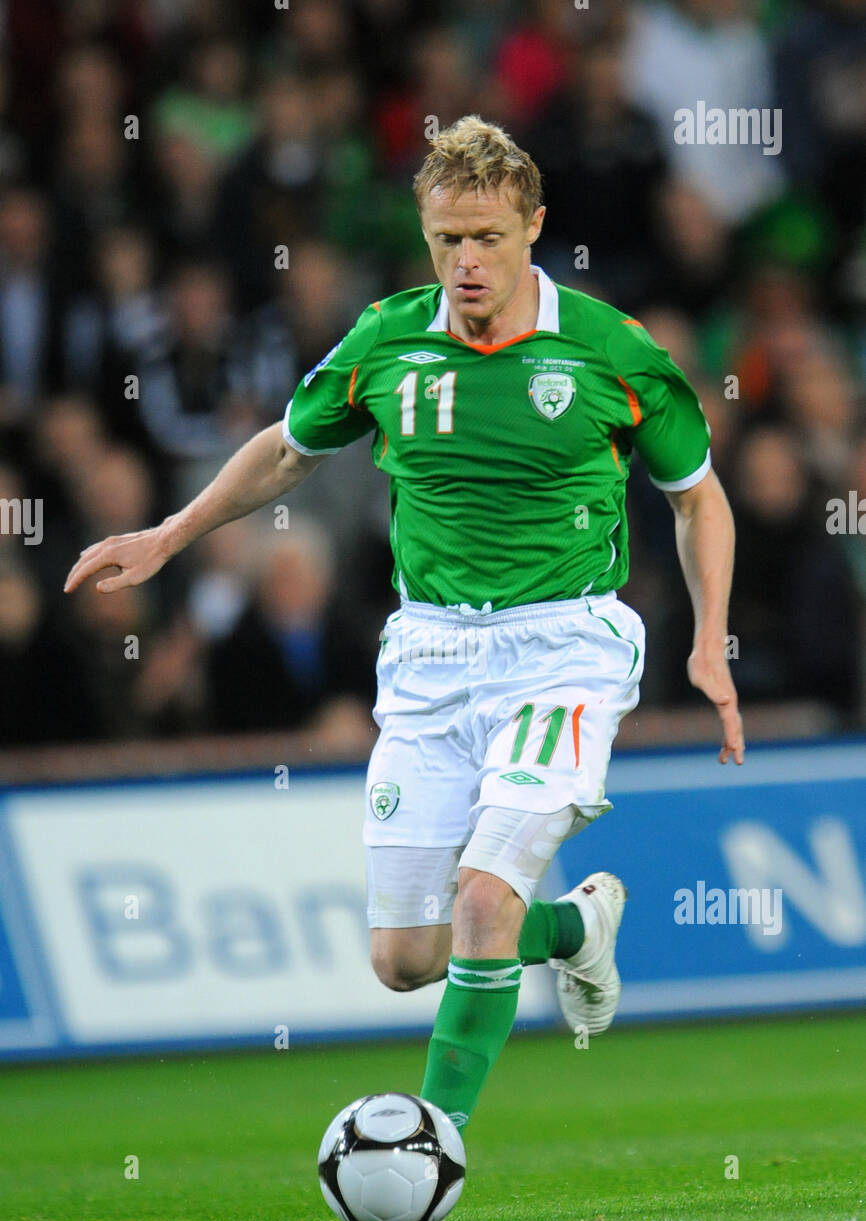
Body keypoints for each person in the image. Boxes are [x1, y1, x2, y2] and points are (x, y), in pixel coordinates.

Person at [64, 117, 744, 1132]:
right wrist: (172, 531)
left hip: (564, 644)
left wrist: (705, 639)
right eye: (445, 240)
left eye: (487, 238)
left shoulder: (610, 350)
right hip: (427, 653)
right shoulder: (385, 339)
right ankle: (573, 924)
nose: (465, 262)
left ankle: (433, 1142)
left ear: (533, 228)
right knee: (404, 957)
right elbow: (288, 450)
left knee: (478, 902)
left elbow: (697, 495)